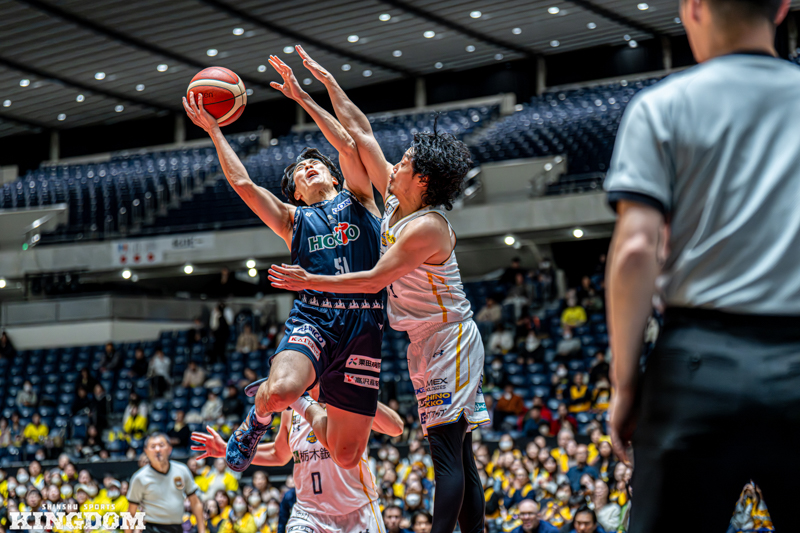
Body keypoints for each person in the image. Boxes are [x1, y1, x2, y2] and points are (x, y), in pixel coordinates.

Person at [268, 46, 491, 533]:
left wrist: (309, 282)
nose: (397, 162)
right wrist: (317, 88)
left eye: (406, 161)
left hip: (449, 337)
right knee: (461, 452)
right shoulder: (395, 197)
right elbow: (357, 132)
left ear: (422, 180)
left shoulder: (426, 227)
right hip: (424, 339)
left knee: (446, 451)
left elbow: (372, 281)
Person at [604, 0, 797, 531]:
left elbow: (636, 250)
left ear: (692, 8)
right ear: (782, 7)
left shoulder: (661, 106)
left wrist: (626, 384)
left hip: (696, 363)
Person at [184, 53, 386, 475]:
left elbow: (348, 146)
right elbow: (243, 184)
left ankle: (305, 400)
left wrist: (302, 97)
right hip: (315, 318)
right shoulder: (294, 220)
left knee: (346, 455)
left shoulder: (361, 199)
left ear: (334, 177)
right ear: (295, 191)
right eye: (299, 170)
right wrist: (215, 131)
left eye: (316, 164)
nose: (309, 166)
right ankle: (257, 419)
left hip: (364, 325)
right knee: (279, 393)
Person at [191, 384, 403, 533]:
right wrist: (227, 449)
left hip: (356, 512)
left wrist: (353, 393)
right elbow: (278, 453)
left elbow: (396, 427)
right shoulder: (291, 409)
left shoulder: (347, 400)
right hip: (309, 514)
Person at [126, 433, 205, 533]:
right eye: (153, 447)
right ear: (146, 451)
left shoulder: (182, 471)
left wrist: (202, 530)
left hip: (176, 528)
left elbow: (196, 503)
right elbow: (131, 512)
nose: (157, 450)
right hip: (151, 529)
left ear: (170, 449)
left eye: (161, 445)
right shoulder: (139, 478)